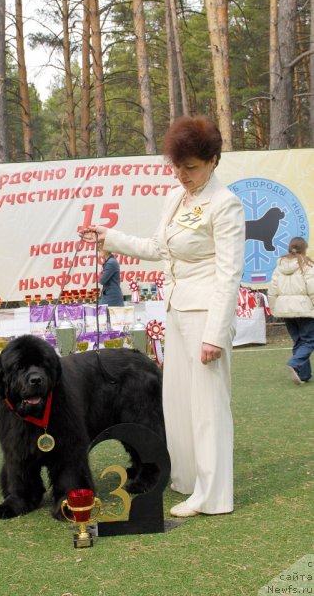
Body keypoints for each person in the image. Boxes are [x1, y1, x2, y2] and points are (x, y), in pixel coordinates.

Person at [79, 115, 246, 518]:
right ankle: (188, 479)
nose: (182, 174)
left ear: (214, 161)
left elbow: (229, 274)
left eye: (190, 167)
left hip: (206, 312)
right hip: (176, 308)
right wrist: (111, 238)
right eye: (176, 165)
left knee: (208, 407)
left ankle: (214, 494)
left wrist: (215, 333)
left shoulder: (226, 205)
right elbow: (158, 246)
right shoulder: (176, 198)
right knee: (178, 402)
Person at [268, 237, 314, 384]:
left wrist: (274, 309)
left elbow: (272, 291)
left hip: (285, 310)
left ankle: (303, 375)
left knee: (298, 341)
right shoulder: (307, 266)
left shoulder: (278, 267)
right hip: (304, 310)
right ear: (304, 249)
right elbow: (312, 290)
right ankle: (295, 363)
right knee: (309, 341)